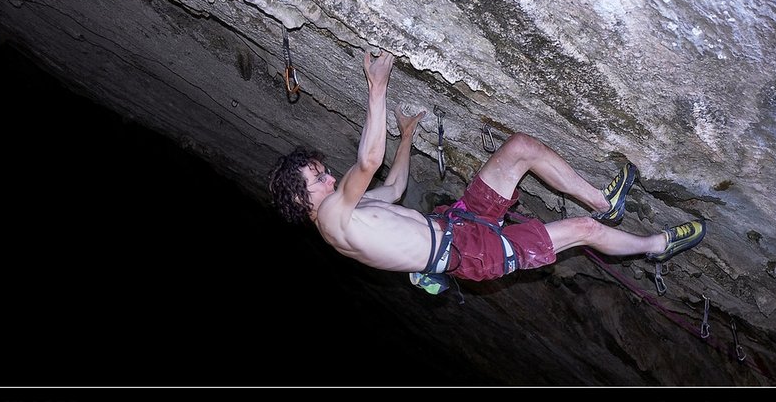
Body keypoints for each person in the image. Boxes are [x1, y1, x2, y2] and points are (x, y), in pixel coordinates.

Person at [268, 50, 706, 293]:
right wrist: (376, 88)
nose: (329, 178)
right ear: (298, 200)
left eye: (323, 170)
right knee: (581, 231)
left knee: (520, 148)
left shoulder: (347, 206)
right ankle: (656, 245)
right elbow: (368, 162)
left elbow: (395, 186)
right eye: (318, 178)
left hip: (457, 222)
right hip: (473, 255)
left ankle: (602, 202)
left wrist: (406, 136)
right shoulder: (329, 218)